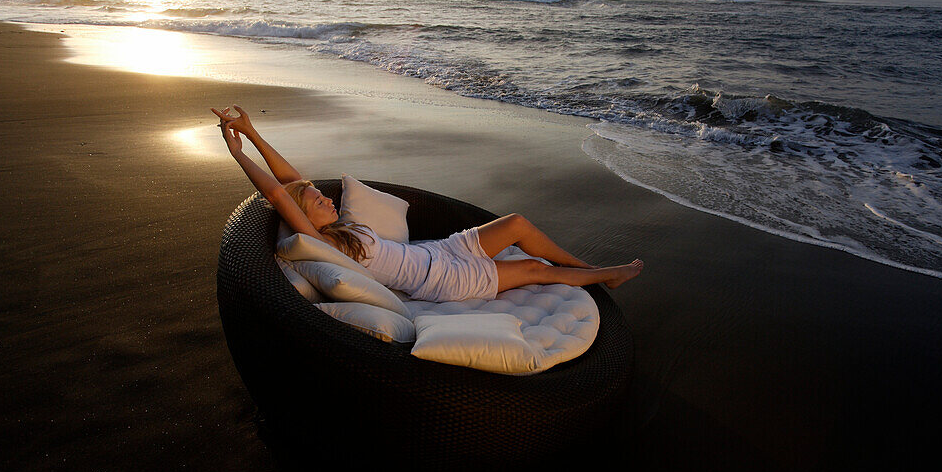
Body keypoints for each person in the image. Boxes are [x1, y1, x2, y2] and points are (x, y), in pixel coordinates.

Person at [213, 105, 642, 302]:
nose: (327, 197)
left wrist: (251, 132)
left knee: (516, 224)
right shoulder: (325, 244)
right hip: (442, 280)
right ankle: (605, 277)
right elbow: (277, 192)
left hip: (438, 251)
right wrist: (237, 154)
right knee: (532, 269)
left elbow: (291, 181)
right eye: (318, 201)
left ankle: (584, 267)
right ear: (305, 217)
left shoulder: (337, 227)